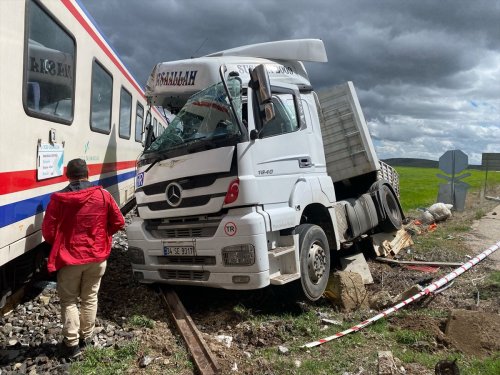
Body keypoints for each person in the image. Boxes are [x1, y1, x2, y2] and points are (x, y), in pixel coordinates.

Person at [42, 158, 125, 359]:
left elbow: (48, 231)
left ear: (68, 175)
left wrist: (62, 243)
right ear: (88, 174)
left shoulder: (59, 199)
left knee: (69, 300)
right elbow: (118, 222)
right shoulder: (103, 195)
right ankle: (86, 337)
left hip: (69, 259)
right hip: (97, 258)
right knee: (90, 297)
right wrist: (102, 236)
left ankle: (71, 345)